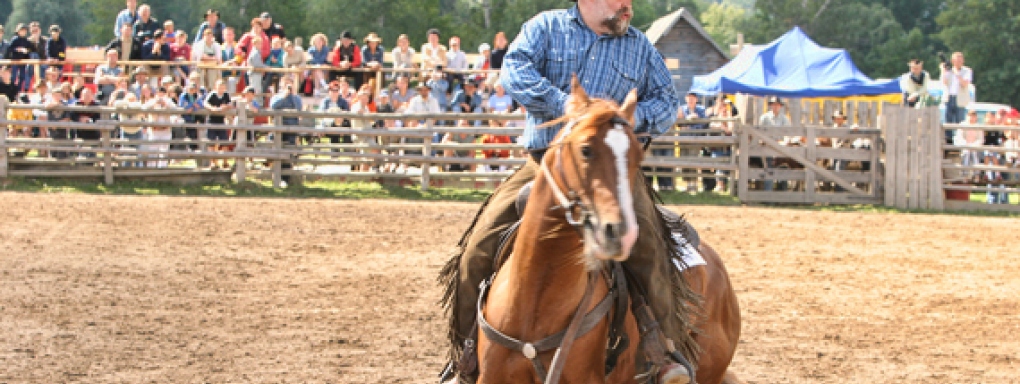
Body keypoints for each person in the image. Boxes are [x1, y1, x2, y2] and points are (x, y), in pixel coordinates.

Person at [439, 1, 694, 383]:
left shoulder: (640, 46)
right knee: (478, 247)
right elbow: (514, 70)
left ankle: (664, 354)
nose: (628, 6)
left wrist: (614, 121)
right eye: (619, 0)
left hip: (613, 171)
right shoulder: (546, 28)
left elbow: (666, 104)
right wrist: (566, 106)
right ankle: (465, 358)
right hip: (545, 163)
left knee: (652, 250)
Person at [269, 76, 303, 185]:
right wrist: (284, 95)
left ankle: (286, 179)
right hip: (278, 129)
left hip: (291, 129)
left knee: (289, 154)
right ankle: (277, 177)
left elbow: (298, 109)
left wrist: (292, 95)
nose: (288, 86)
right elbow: (273, 106)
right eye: (286, 84)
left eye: (290, 84)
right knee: (278, 152)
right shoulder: (276, 97)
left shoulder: (296, 97)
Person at [679, 92, 709, 192]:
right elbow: (678, 122)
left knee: (692, 161)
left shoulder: (701, 109)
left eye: (693, 98)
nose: (691, 100)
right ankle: (687, 184)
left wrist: (694, 121)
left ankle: (693, 184)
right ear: (686, 99)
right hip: (683, 140)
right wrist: (686, 121)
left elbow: (704, 123)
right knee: (684, 161)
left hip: (695, 139)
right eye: (689, 98)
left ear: (696, 99)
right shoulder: (682, 109)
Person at [941, 52, 972, 143]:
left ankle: (960, 141)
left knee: (960, 121)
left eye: (960, 60)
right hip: (949, 97)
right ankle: (949, 141)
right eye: (955, 60)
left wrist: (955, 73)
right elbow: (944, 81)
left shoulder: (967, 71)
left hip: (960, 99)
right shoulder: (948, 71)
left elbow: (964, 84)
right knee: (948, 121)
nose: (958, 62)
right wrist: (944, 70)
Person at [142, 86, 176, 168]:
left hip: (165, 130)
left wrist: (166, 104)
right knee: (153, 152)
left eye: (162, 94)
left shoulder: (169, 101)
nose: (160, 96)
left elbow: (176, 109)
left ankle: (162, 170)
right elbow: (143, 108)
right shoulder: (152, 101)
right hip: (154, 130)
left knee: (164, 152)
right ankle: (151, 170)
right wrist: (155, 103)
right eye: (158, 94)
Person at [204, 79, 233, 169]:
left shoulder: (226, 95)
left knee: (224, 141)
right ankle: (213, 162)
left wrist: (226, 107)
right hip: (212, 120)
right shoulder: (212, 94)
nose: (221, 89)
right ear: (216, 87)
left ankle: (225, 162)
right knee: (211, 142)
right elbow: (205, 103)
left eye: (223, 87)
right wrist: (213, 109)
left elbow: (230, 104)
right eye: (220, 87)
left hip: (221, 120)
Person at [319, 81, 351, 149]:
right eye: (332, 90)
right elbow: (321, 113)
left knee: (341, 124)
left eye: (336, 90)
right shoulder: (325, 101)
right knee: (335, 125)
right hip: (327, 123)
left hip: (341, 124)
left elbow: (347, 113)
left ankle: (347, 151)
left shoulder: (343, 101)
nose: (334, 92)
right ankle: (335, 152)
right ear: (329, 91)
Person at [72, 88, 102, 158]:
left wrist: (89, 120)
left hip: (93, 133)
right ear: (81, 96)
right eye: (85, 95)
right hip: (80, 133)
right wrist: (80, 119)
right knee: (82, 154)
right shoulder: (77, 105)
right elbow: (72, 116)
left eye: (88, 95)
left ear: (92, 96)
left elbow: (99, 118)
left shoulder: (96, 106)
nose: (87, 97)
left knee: (92, 155)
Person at [7, 24, 36, 92]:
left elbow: (31, 49)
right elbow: (10, 49)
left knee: (22, 76)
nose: (23, 32)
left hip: (23, 61)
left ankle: (19, 90)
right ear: (18, 31)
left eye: (24, 31)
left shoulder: (26, 40)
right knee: (14, 76)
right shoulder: (14, 39)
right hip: (15, 60)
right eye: (22, 30)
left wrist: (27, 50)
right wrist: (17, 49)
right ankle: (12, 89)